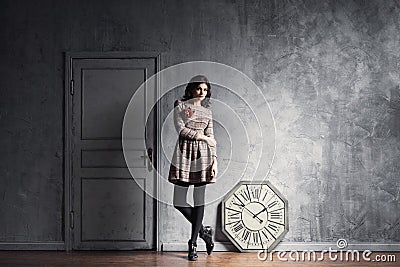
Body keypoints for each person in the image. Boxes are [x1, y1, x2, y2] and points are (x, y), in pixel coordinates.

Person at [168, 75, 218, 261]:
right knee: (178, 201)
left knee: (199, 200)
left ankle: (193, 243)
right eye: (199, 89)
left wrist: (215, 161)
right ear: (191, 89)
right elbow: (181, 130)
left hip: (203, 157)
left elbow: (212, 138)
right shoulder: (180, 105)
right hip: (183, 155)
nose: (202, 93)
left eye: (205, 90)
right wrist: (203, 137)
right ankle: (204, 231)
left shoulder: (207, 112)